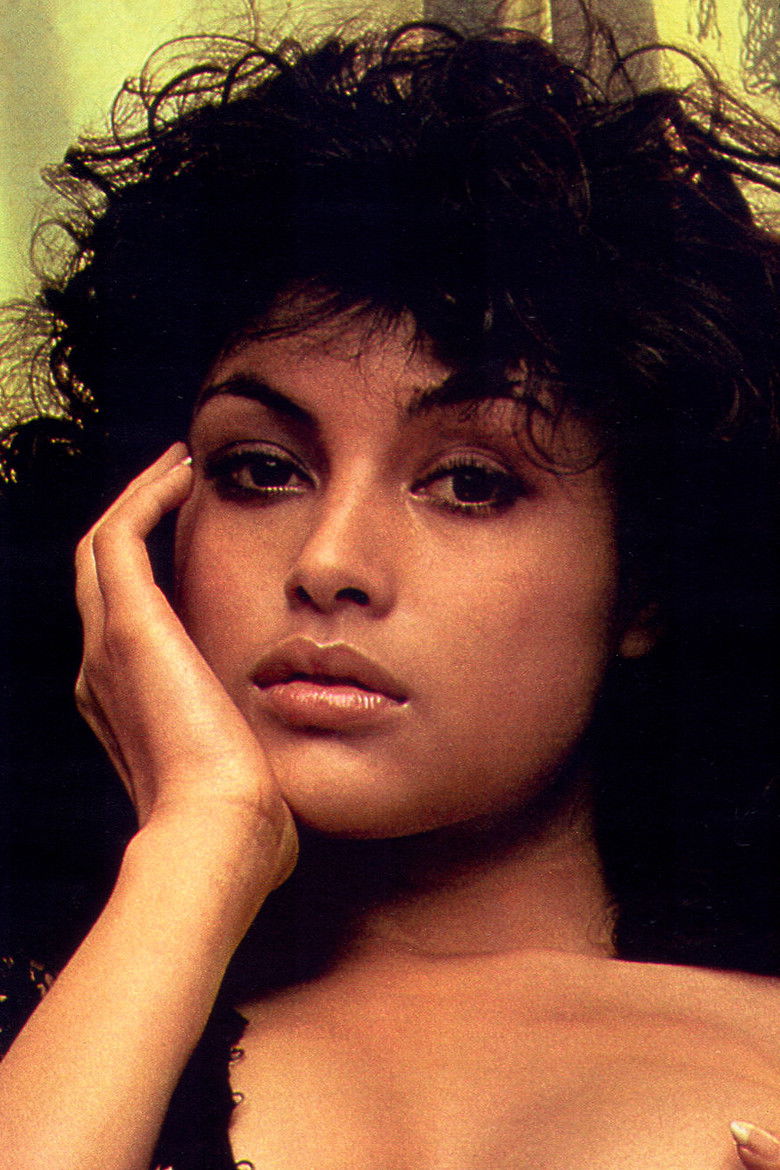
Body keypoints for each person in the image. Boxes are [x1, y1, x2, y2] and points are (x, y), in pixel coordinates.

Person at [0, 17, 778, 1169]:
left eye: (469, 483)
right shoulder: (50, 1025)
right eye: (261, 470)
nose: (329, 562)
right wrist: (199, 844)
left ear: (646, 582)